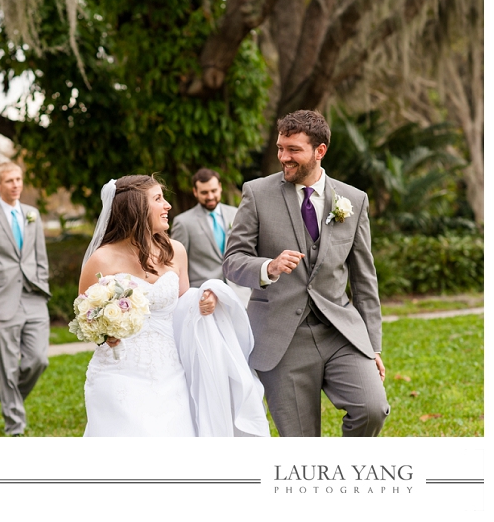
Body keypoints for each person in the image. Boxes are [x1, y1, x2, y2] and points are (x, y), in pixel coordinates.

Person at [223, 109, 390, 437]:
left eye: (293, 150)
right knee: (301, 440)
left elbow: (364, 280)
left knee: (372, 409)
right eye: (280, 148)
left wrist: (372, 346)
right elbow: (232, 260)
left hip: (340, 332)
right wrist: (267, 267)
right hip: (283, 337)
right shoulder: (257, 194)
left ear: (320, 151)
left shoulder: (352, 200)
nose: (283, 157)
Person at [80, 175, 270, 437]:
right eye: (158, 199)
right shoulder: (101, 259)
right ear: (136, 207)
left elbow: (182, 306)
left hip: (170, 372)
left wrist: (204, 299)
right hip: (118, 371)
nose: (168, 205)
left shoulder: (175, 251)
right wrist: (105, 335)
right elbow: (86, 315)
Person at [0, 162, 51, 436]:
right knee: (7, 366)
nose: (16, 185)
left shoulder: (32, 214)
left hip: (34, 298)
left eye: (18, 179)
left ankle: (8, 397)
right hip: (2, 301)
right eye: (9, 181)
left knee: (38, 359)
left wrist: (43, 283)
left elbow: (40, 257)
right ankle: (15, 426)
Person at [170, 168, 251, 306]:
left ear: (220, 187)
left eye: (213, 191)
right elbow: (177, 265)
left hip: (240, 295)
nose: (210, 196)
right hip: (203, 296)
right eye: (204, 192)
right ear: (195, 192)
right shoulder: (183, 222)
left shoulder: (236, 214)